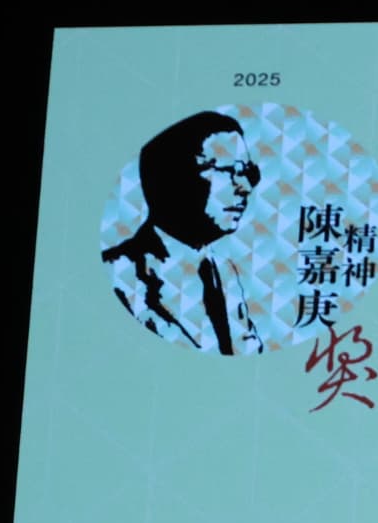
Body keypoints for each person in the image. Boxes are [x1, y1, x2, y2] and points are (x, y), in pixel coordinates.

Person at [103, 110, 266, 354]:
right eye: (227, 170)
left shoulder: (224, 272)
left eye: (248, 173)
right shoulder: (119, 271)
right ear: (174, 177)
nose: (244, 187)